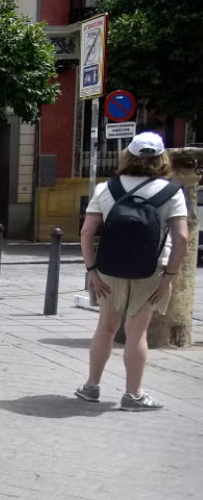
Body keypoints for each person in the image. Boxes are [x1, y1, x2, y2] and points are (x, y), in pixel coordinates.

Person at [77, 132, 189, 411]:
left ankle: (91, 387)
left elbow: (87, 232)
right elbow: (182, 238)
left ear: (128, 155)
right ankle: (133, 395)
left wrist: (92, 272)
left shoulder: (107, 189)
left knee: (105, 327)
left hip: (109, 271)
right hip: (149, 271)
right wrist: (169, 278)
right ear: (162, 157)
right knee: (137, 332)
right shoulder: (172, 191)